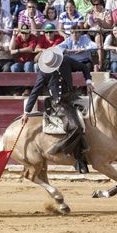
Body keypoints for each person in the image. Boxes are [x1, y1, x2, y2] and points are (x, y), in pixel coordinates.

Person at [21, 46, 94, 174]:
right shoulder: (44, 72)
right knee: (76, 127)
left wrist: (88, 81)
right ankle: (70, 154)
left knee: (95, 114)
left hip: (72, 98)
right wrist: (26, 112)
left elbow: (84, 67)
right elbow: (35, 92)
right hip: (58, 103)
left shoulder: (65, 60)